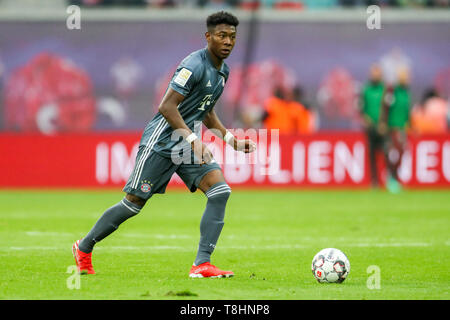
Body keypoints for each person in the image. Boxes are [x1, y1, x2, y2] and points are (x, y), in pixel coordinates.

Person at [72, 11, 256, 278]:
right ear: (208, 37)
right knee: (133, 203)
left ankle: (201, 264)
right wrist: (194, 140)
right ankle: (84, 247)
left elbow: (206, 110)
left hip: (185, 143)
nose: (228, 41)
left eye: (232, 37)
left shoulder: (222, 71)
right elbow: (166, 106)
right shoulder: (193, 65)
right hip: (161, 141)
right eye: (222, 36)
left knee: (220, 191)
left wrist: (231, 140)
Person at [379, 67, 411, 193]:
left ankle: (394, 178)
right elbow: (385, 107)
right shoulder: (392, 91)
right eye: (403, 76)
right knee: (391, 153)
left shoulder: (406, 93)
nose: (405, 78)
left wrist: (409, 124)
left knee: (402, 153)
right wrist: (383, 123)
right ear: (399, 78)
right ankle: (391, 178)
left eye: (406, 76)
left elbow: (406, 111)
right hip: (392, 127)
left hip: (402, 128)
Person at [359, 63, 385, 187]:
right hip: (370, 128)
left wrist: (384, 123)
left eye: (377, 72)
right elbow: (361, 107)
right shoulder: (366, 89)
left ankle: (388, 179)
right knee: (371, 154)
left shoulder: (385, 90)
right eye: (373, 72)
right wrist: (366, 119)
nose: (375, 75)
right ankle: (374, 181)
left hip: (383, 128)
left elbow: (387, 108)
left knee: (386, 153)